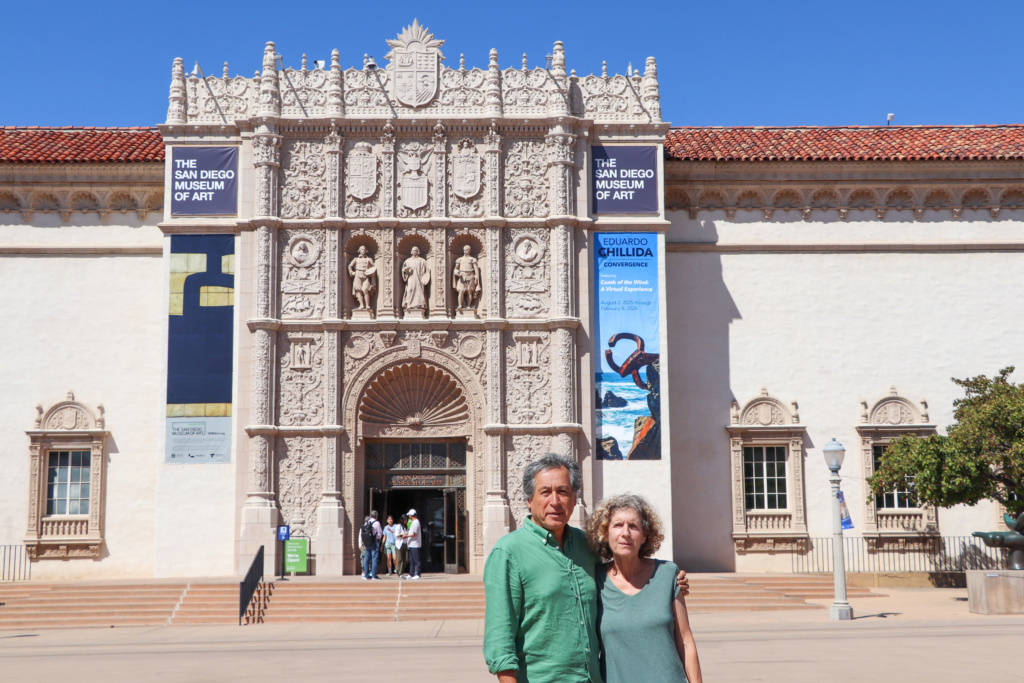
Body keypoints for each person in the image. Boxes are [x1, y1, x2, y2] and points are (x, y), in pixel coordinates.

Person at [483, 453, 689, 683]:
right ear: (529, 500)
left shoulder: (586, 545)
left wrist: (668, 577)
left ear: (574, 498)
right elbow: (499, 642)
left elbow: (620, 572)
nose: (555, 501)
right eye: (545, 492)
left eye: (563, 491)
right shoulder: (509, 552)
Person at [586, 494, 702, 683]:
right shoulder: (593, 579)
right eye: (617, 525)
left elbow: (686, 642)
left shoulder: (668, 573)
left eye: (633, 526)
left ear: (645, 535)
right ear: (605, 534)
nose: (625, 533)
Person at [401, 246, 430, 314]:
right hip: (411, 278)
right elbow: (403, 271)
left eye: (416, 250)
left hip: (419, 279)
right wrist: (405, 270)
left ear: (418, 252)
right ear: (411, 251)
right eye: (413, 250)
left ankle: (419, 305)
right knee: (409, 290)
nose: (414, 251)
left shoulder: (422, 260)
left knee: (419, 291)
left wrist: (425, 277)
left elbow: (427, 271)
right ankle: (408, 304)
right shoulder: (407, 261)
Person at [360, 510, 383, 580]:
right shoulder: (377, 523)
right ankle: (374, 575)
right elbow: (380, 533)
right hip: (374, 542)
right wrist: (377, 538)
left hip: (367, 543)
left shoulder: (367, 522)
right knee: (374, 558)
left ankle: (366, 574)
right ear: (376, 516)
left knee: (366, 558)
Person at [406, 508, 423, 579]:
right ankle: (411, 573)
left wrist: (406, 536)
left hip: (415, 544)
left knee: (416, 560)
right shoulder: (413, 522)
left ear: (411, 515)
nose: (409, 516)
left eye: (409, 515)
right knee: (411, 560)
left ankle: (418, 574)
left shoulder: (416, 522)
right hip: (411, 544)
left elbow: (414, 534)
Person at [395, 513, 409, 578]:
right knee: (400, 559)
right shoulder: (398, 526)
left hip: (405, 543)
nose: (406, 521)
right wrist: (402, 535)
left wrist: (405, 535)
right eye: (405, 520)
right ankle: (400, 573)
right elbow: (396, 534)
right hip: (399, 544)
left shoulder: (406, 527)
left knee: (406, 559)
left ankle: (398, 570)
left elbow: (408, 534)